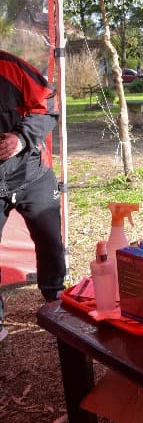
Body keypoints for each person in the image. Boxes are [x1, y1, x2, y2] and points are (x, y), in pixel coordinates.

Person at [0, 49, 67, 342]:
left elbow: (48, 104)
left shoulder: (10, 66)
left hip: (31, 175)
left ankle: (55, 303)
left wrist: (21, 138)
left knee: (50, 243)